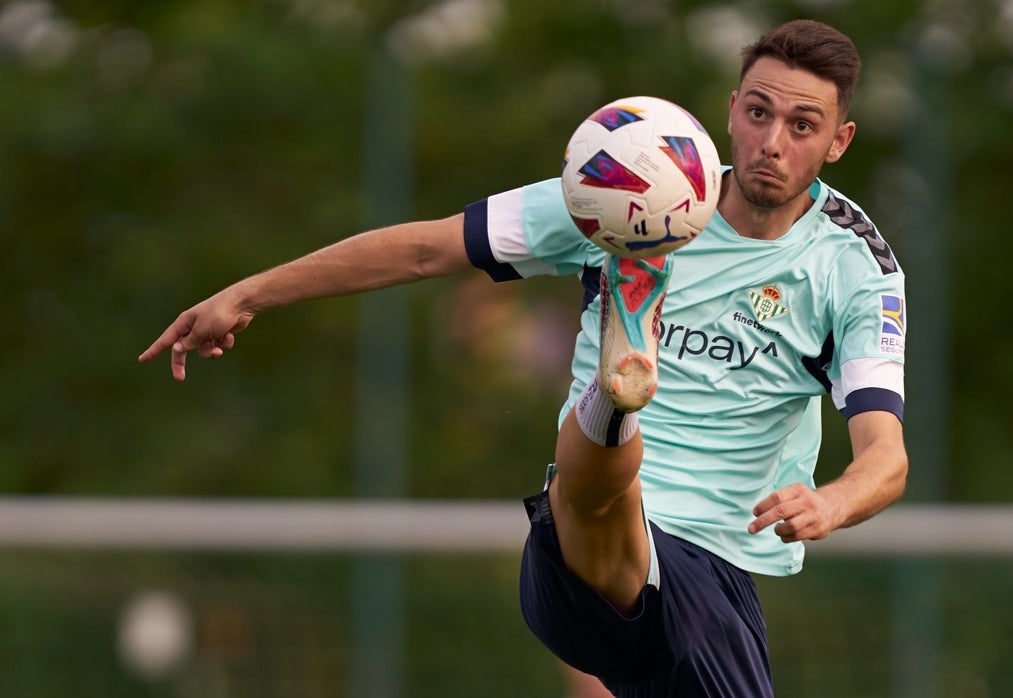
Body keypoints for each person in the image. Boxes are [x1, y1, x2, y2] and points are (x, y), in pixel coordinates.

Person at [140, 19, 908, 697]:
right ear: (732, 111)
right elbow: (421, 249)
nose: (773, 140)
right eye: (758, 111)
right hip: (576, 550)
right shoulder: (630, 189)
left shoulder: (854, 267)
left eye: (803, 125)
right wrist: (249, 293)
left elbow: (887, 457)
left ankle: (618, 384)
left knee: (620, 528)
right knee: (600, 497)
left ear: (839, 141)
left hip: (709, 574)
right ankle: (616, 394)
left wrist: (832, 503)